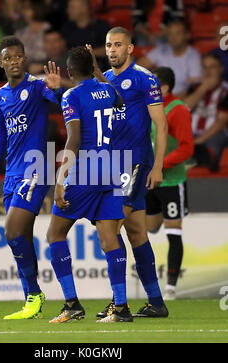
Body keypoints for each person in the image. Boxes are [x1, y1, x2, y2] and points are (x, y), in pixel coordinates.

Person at [46, 46, 133, 324]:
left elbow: (73, 140)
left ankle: (72, 304)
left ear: (69, 72)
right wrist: (98, 71)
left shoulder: (71, 95)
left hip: (85, 174)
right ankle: (120, 308)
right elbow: (120, 101)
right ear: (93, 67)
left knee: (55, 235)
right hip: (111, 171)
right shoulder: (107, 90)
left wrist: (60, 181)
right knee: (110, 240)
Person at [88, 26, 169, 318]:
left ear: (130, 49)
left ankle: (118, 303)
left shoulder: (144, 78)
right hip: (111, 165)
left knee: (108, 228)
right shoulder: (106, 79)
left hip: (135, 162)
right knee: (136, 232)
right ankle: (156, 303)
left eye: (118, 45)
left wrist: (157, 165)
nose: (112, 50)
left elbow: (161, 124)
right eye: (108, 45)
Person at [0, 36, 61, 320]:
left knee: (11, 231)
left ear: (24, 59)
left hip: (36, 169)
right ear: (0, 62)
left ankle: (34, 294)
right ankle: (32, 299)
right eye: (8, 58)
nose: (14, 62)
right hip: (12, 174)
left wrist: (59, 89)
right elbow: (0, 136)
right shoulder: (1, 94)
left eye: (18, 57)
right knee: (21, 236)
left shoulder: (38, 86)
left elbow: (64, 102)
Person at [146, 66, 194, 300]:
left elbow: (187, 147)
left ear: (163, 88)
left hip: (171, 181)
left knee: (173, 232)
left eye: (152, 85)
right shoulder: (148, 108)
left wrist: (160, 164)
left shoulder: (178, 110)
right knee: (144, 227)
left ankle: (171, 287)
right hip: (149, 181)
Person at [184, 53, 228, 172]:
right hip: (190, 133)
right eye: (205, 67)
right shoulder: (195, 88)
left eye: (212, 67)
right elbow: (184, 109)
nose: (208, 71)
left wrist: (198, 141)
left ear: (221, 69)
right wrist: (203, 88)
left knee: (213, 145)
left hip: (213, 134)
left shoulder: (226, 90)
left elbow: (221, 123)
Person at [137, 19, 202, 98]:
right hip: (157, 98)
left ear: (187, 35)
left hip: (180, 102)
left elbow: (192, 90)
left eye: (177, 33)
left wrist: (168, 101)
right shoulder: (161, 50)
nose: (173, 38)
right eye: (170, 34)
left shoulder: (193, 55)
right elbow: (137, 67)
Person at [61, 0, 110, 71]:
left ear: (84, 8)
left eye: (71, 7)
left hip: (98, 69)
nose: (68, 10)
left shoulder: (101, 26)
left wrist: (85, 53)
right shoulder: (67, 28)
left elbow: (109, 49)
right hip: (71, 69)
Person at [15, 0, 51, 67]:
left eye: (27, 8)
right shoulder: (20, 33)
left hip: (46, 68)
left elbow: (56, 55)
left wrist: (42, 66)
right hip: (25, 70)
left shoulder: (48, 29)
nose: (24, 12)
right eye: (23, 9)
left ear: (37, 9)